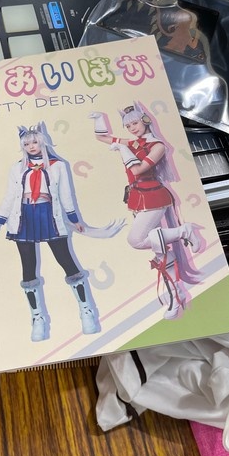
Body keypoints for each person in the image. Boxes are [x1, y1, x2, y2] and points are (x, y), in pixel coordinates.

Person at [89, 103, 203, 320]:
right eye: (128, 125)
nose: (132, 128)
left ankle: (184, 231)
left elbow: (138, 169)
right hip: (136, 197)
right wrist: (98, 119)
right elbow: (102, 137)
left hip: (153, 196)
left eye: (134, 123)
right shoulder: (133, 142)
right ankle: (176, 292)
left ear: (145, 121)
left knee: (135, 240)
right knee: (160, 252)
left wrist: (123, 149)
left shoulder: (157, 146)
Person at [0, 124, 99, 342]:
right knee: (28, 267)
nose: (31, 147)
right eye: (27, 144)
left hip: (49, 214)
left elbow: (66, 194)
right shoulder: (17, 168)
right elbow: (10, 195)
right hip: (24, 216)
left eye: (35, 142)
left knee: (66, 261)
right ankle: (38, 319)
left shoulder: (58, 166)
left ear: (42, 142)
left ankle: (87, 312)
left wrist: (74, 219)